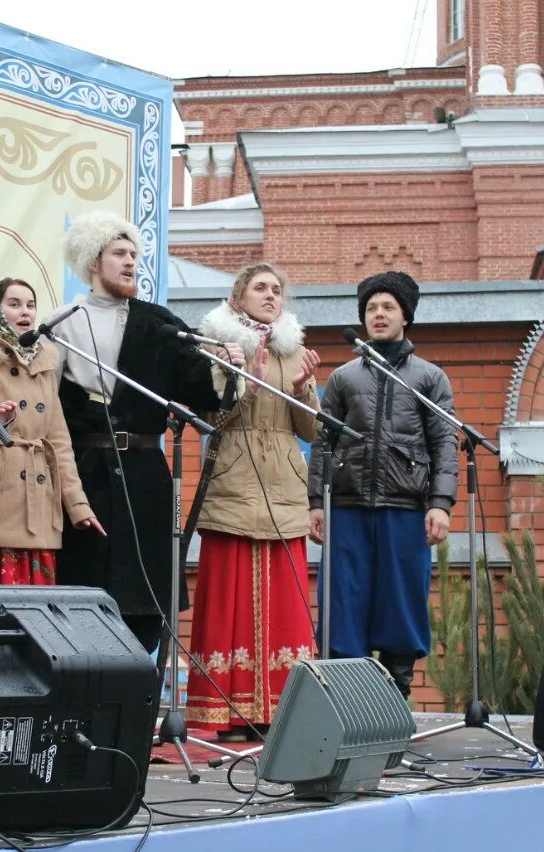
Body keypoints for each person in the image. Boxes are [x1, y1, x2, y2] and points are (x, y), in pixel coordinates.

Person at [52, 211, 244, 654]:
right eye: (119, 253)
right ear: (93, 262)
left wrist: (228, 367)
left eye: (134, 255)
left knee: (143, 605)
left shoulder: (158, 322)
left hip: (144, 475)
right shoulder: (60, 323)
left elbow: (201, 388)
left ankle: (137, 690)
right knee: (83, 594)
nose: (130, 263)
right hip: (85, 473)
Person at [183, 262, 321, 739]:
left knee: (286, 604)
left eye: (276, 289)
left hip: (283, 488)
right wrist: (248, 383)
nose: (270, 295)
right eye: (260, 287)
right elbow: (209, 422)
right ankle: (226, 711)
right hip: (234, 484)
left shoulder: (294, 351)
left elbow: (311, 431)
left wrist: (302, 392)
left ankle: (278, 713)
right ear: (238, 295)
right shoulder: (217, 347)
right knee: (231, 598)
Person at [306, 271, 458, 699]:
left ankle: (395, 701)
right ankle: (347, 703)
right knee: (343, 604)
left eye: (388, 307)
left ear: (405, 316)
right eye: (371, 308)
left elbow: (444, 443)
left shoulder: (429, 378)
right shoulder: (343, 378)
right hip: (347, 507)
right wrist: (316, 501)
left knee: (401, 602)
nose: (378, 314)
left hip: (406, 509)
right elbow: (323, 441)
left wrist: (440, 503)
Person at [0, 278, 104, 584]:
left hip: (38, 502)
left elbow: (59, 443)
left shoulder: (45, 365)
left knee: (35, 606)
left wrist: (78, 505)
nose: (25, 312)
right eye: (14, 304)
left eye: (30, 305)